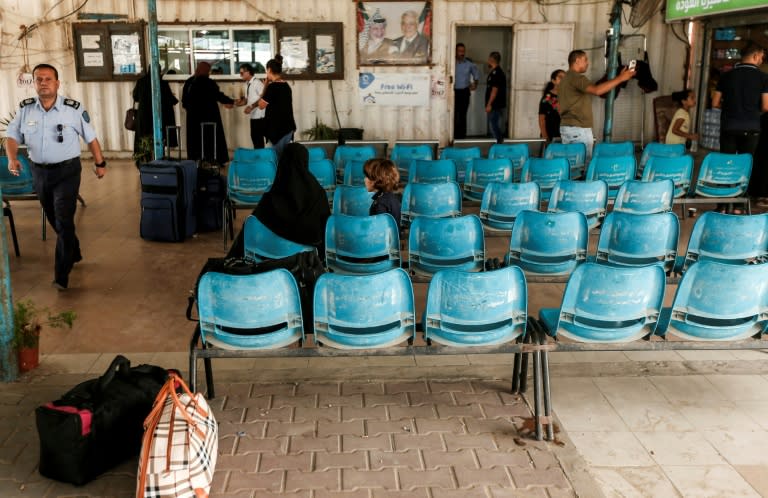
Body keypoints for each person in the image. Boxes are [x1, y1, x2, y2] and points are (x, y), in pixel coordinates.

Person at [5, 63, 106, 290]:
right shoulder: (25, 109)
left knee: (62, 217)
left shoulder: (73, 108)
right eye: (38, 79)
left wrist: (100, 162)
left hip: (67, 171)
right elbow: (11, 136)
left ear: (57, 83)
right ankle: (75, 250)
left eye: (48, 79)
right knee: (54, 217)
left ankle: (62, 275)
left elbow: (91, 138)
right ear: (34, 83)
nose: (43, 83)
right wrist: (12, 158)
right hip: (39, 171)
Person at [712, 44, 768, 204]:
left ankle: (722, 204)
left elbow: (715, 102)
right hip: (751, 127)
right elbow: (766, 106)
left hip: (729, 126)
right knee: (746, 166)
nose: (762, 60)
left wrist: (731, 107)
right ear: (756, 56)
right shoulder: (763, 77)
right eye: (762, 57)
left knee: (726, 165)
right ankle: (739, 205)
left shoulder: (726, 76)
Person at [558, 49, 635, 160]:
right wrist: (621, 78)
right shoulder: (577, 78)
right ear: (577, 60)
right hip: (578, 129)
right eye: (585, 60)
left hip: (566, 128)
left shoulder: (565, 79)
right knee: (584, 166)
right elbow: (597, 90)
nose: (587, 63)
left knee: (572, 166)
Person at [181, 61, 234, 164]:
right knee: (210, 139)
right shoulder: (208, 82)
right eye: (208, 71)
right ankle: (212, 161)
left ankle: (195, 161)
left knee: (195, 141)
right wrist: (231, 101)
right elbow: (218, 95)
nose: (209, 73)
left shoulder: (189, 82)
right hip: (210, 117)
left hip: (193, 120)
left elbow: (184, 102)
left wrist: (192, 110)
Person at [132, 66, 179, 166]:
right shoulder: (162, 82)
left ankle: (144, 163)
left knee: (144, 140)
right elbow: (170, 99)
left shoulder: (141, 81)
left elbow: (135, 97)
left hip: (144, 117)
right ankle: (159, 161)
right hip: (158, 117)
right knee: (159, 139)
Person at [258, 56, 296, 160]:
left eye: (267, 70)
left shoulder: (272, 87)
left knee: (273, 160)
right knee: (286, 160)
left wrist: (265, 86)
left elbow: (261, 105)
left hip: (276, 130)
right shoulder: (286, 86)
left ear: (269, 70)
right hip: (288, 128)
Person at [363, 158, 401, 230]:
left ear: (377, 180)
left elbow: (378, 230)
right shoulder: (390, 197)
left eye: (367, 177)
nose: (364, 179)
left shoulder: (381, 203)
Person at [235, 63, 266, 149]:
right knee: (254, 138)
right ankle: (258, 158)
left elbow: (263, 98)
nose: (240, 75)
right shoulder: (247, 84)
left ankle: (260, 159)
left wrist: (251, 106)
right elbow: (245, 100)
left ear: (248, 72)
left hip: (260, 116)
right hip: (253, 116)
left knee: (258, 140)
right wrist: (234, 103)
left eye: (242, 73)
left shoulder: (257, 83)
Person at [454, 43, 480, 140]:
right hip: (453, 93)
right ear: (455, 51)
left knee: (462, 115)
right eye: (459, 51)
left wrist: (475, 84)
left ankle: (461, 138)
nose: (462, 53)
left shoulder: (469, 64)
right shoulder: (452, 63)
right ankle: (453, 136)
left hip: (464, 92)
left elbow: (476, 75)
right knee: (454, 115)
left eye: (463, 51)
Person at [485, 51, 507, 144]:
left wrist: (489, 104)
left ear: (491, 60)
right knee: (493, 125)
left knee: (493, 126)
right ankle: (498, 143)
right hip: (495, 104)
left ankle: (499, 145)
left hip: (495, 105)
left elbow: (494, 90)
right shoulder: (494, 72)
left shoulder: (497, 73)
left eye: (489, 59)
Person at [538, 69, 565, 142]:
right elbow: (541, 119)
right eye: (560, 77)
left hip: (565, 135)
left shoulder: (567, 96)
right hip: (550, 135)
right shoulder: (547, 98)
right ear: (553, 81)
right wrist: (545, 137)